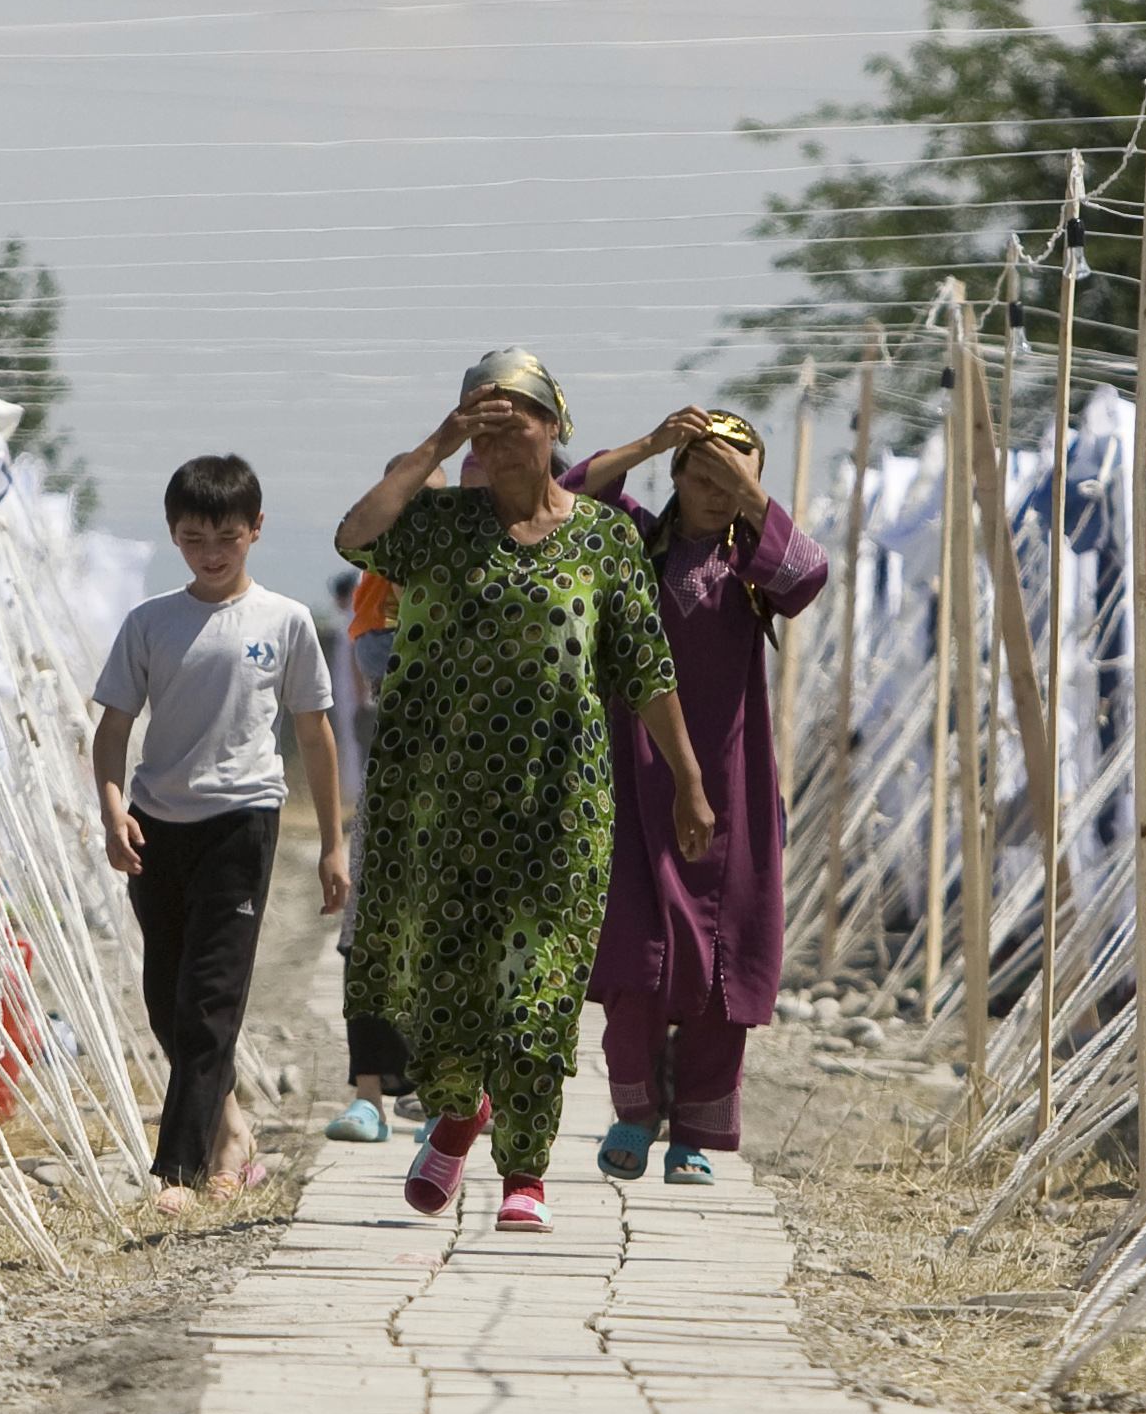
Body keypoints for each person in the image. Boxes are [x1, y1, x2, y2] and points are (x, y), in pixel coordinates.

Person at [335, 349, 715, 1233]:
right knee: (439, 990)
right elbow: (357, 535)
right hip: (438, 805)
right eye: (486, 420)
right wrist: (439, 440)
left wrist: (689, 784)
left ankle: (525, 1174)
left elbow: (648, 669)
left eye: (520, 420)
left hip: (561, 805)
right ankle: (460, 1110)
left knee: (539, 993)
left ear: (555, 431)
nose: (504, 438)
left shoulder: (604, 538)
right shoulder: (436, 526)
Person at [564, 407, 827, 1184]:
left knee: (723, 958)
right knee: (637, 953)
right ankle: (636, 1115)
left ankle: (696, 1135)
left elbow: (808, 576)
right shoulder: (631, 546)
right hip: (633, 775)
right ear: (676, 478)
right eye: (703, 475)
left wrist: (751, 498)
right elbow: (574, 491)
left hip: (733, 780)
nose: (716, 492)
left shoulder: (757, 565)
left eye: (735, 478)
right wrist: (647, 444)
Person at [93, 455, 350, 1214]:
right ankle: (232, 1128)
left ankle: (178, 1171)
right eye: (194, 536)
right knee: (167, 999)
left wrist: (333, 843)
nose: (211, 552)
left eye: (227, 537)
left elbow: (317, 735)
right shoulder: (150, 624)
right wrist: (113, 809)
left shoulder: (285, 621)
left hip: (241, 822)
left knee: (210, 1000)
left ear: (256, 532)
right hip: (156, 825)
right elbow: (112, 729)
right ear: (173, 535)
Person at [327, 559, 418, 1143]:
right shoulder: (377, 589)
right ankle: (367, 1092)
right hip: (395, 784)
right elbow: (375, 665)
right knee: (369, 931)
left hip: (479, 782)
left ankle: (445, 1092)